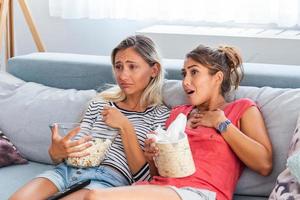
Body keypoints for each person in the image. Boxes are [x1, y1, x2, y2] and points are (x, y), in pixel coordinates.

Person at [84, 44, 273, 200]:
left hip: (200, 193)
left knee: (94, 197)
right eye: (184, 74)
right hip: (160, 188)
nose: (185, 81)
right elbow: (157, 174)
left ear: (217, 78)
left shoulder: (241, 109)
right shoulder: (178, 114)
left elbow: (264, 165)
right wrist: (152, 158)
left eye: (194, 73)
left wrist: (222, 124)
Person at [10, 35, 170, 200]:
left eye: (132, 67)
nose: (123, 75)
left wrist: (124, 125)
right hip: (66, 170)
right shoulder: (100, 103)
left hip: (107, 181)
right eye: (118, 66)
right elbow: (75, 150)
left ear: (154, 70)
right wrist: (57, 153)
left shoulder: (160, 115)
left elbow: (144, 179)